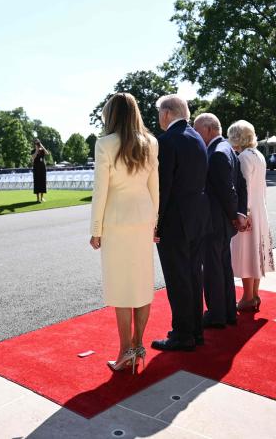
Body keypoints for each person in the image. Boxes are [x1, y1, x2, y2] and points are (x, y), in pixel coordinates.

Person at [90, 93, 159, 374]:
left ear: (112, 115)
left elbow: (101, 190)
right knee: (142, 284)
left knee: (120, 287)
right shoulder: (151, 142)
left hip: (116, 222)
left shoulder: (105, 144)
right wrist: (155, 222)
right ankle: (138, 346)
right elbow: (155, 187)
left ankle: (124, 351)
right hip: (143, 220)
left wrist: (95, 229)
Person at [151, 94, 211, 352]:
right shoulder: (197, 137)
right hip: (197, 218)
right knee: (193, 276)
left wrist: (156, 222)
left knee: (178, 280)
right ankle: (195, 330)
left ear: (166, 113)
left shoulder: (167, 141)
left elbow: (163, 187)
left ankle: (182, 334)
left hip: (176, 221)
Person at [193, 113, 248, 329]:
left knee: (214, 269)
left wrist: (235, 215)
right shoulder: (228, 149)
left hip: (214, 223)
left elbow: (229, 191)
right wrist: (238, 214)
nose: (196, 135)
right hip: (223, 222)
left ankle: (216, 314)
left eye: (197, 131)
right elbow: (241, 185)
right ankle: (227, 312)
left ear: (208, 129)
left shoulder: (215, 153)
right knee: (223, 266)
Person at [228, 121, 275, 312]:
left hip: (249, 211)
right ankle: (254, 295)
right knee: (256, 252)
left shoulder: (244, 157)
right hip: (259, 208)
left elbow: (244, 187)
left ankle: (248, 297)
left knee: (247, 252)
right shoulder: (259, 155)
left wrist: (244, 214)